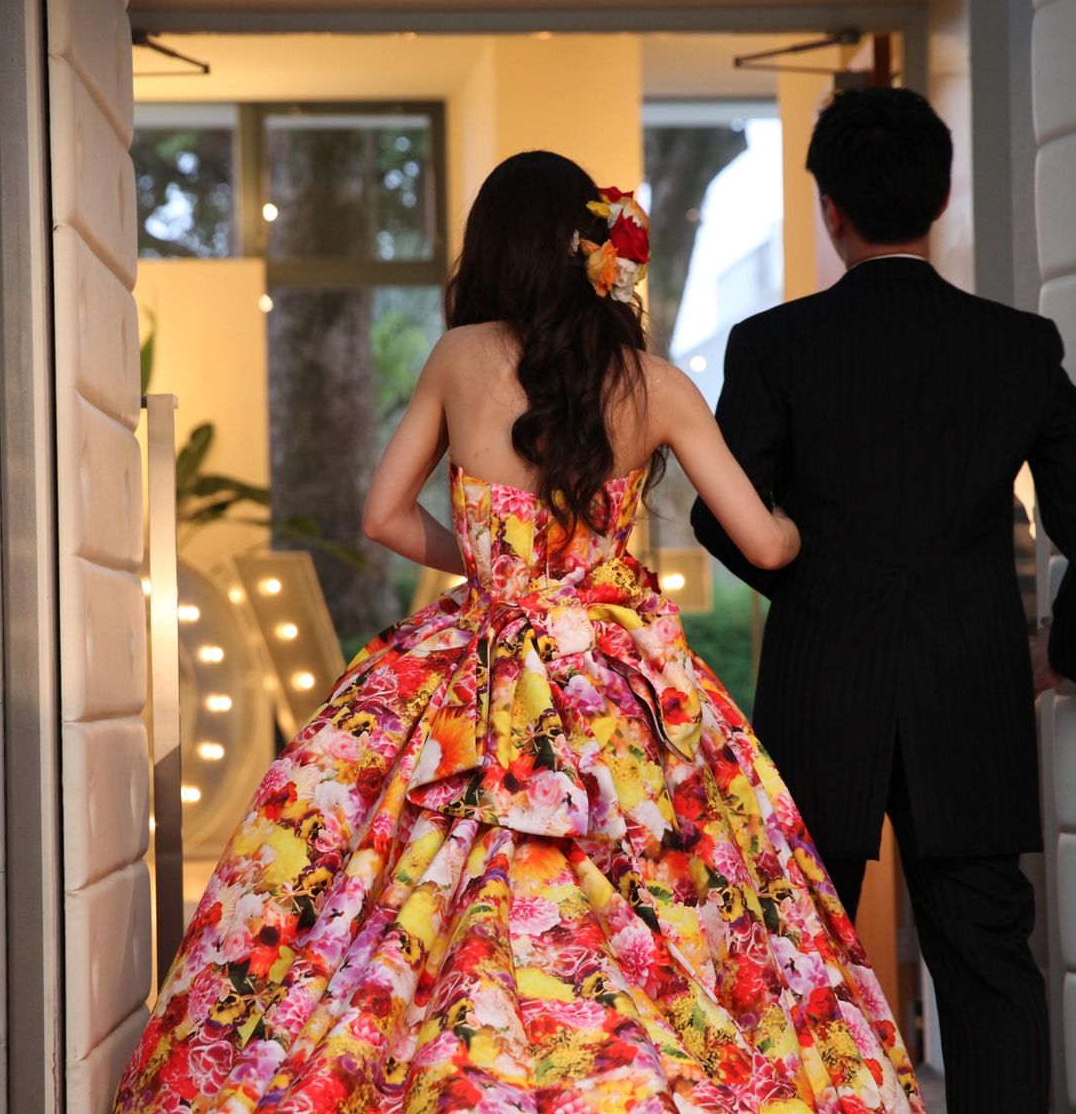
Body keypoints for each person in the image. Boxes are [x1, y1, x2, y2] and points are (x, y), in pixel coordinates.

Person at [115, 151, 924, 1113]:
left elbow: (383, 516)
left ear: (493, 251)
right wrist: (798, 528)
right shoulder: (656, 383)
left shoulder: (460, 358)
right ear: (597, 252)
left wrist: (495, 568)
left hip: (472, 671)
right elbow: (762, 542)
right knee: (689, 907)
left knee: (364, 886)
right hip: (621, 685)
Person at [691, 87, 1076, 1114]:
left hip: (821, 683)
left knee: (794, 963)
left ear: (830, 208)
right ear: (941, 198)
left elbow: (721, 517)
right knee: (989, 963)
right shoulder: (1017, 345)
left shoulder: (772, 345)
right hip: (972, 685)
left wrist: (818, 588)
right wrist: (1059, 648)